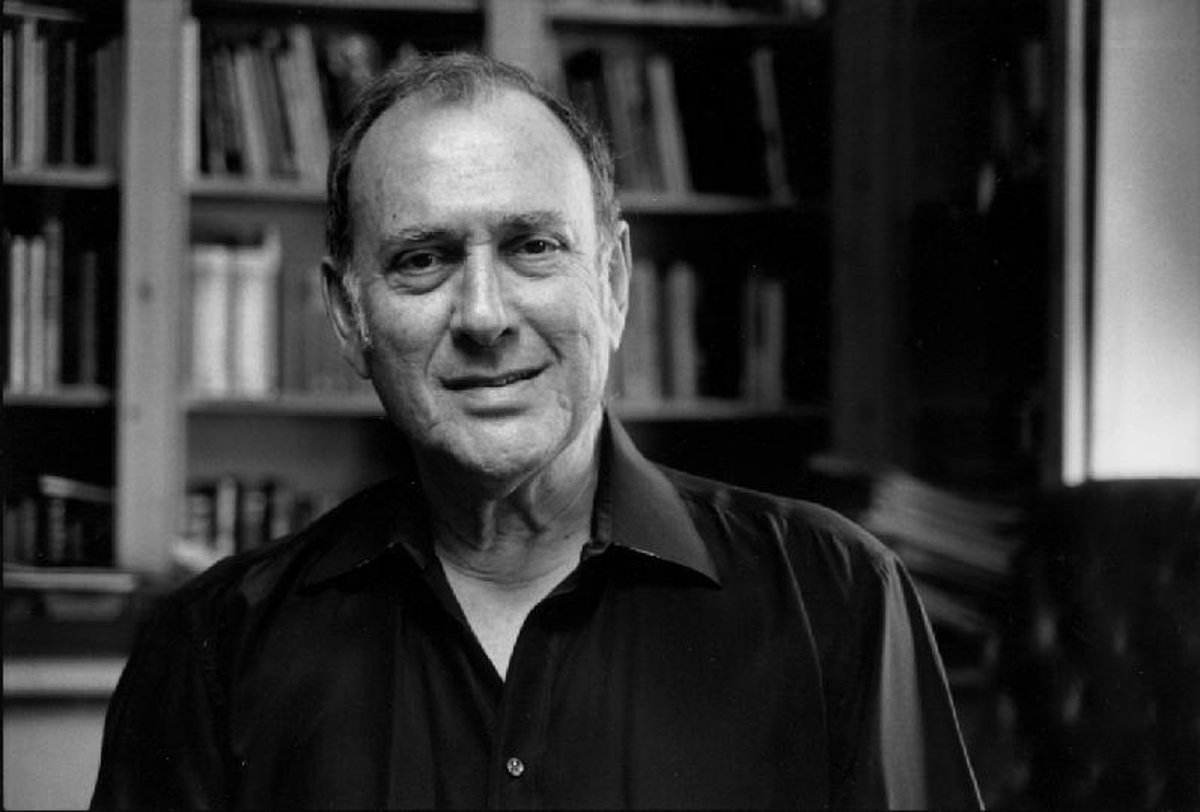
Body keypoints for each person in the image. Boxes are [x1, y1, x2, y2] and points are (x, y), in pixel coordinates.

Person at [92, 52, 981, 809]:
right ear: (349, 315)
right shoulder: (212, 651)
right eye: (423, 259)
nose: (484, 315)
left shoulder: (836, 601)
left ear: (615, 282)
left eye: (533, 247)